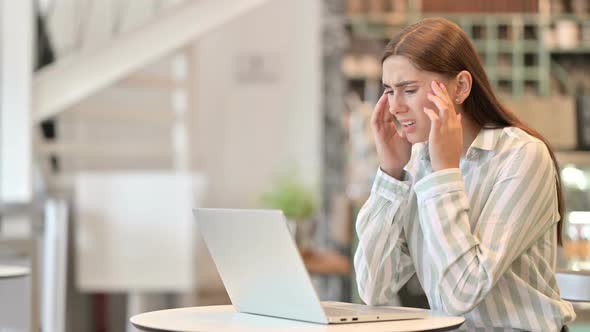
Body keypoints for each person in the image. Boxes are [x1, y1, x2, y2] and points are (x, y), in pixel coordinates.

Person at [353, 18, 576, 331]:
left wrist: (444, 173)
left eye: (410, 90)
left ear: (460, 87)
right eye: (389, 91)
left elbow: (464, 291)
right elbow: (373, 289)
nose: (395, 107)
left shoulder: (521, 156)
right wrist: (391, 176)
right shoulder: (418, 161)